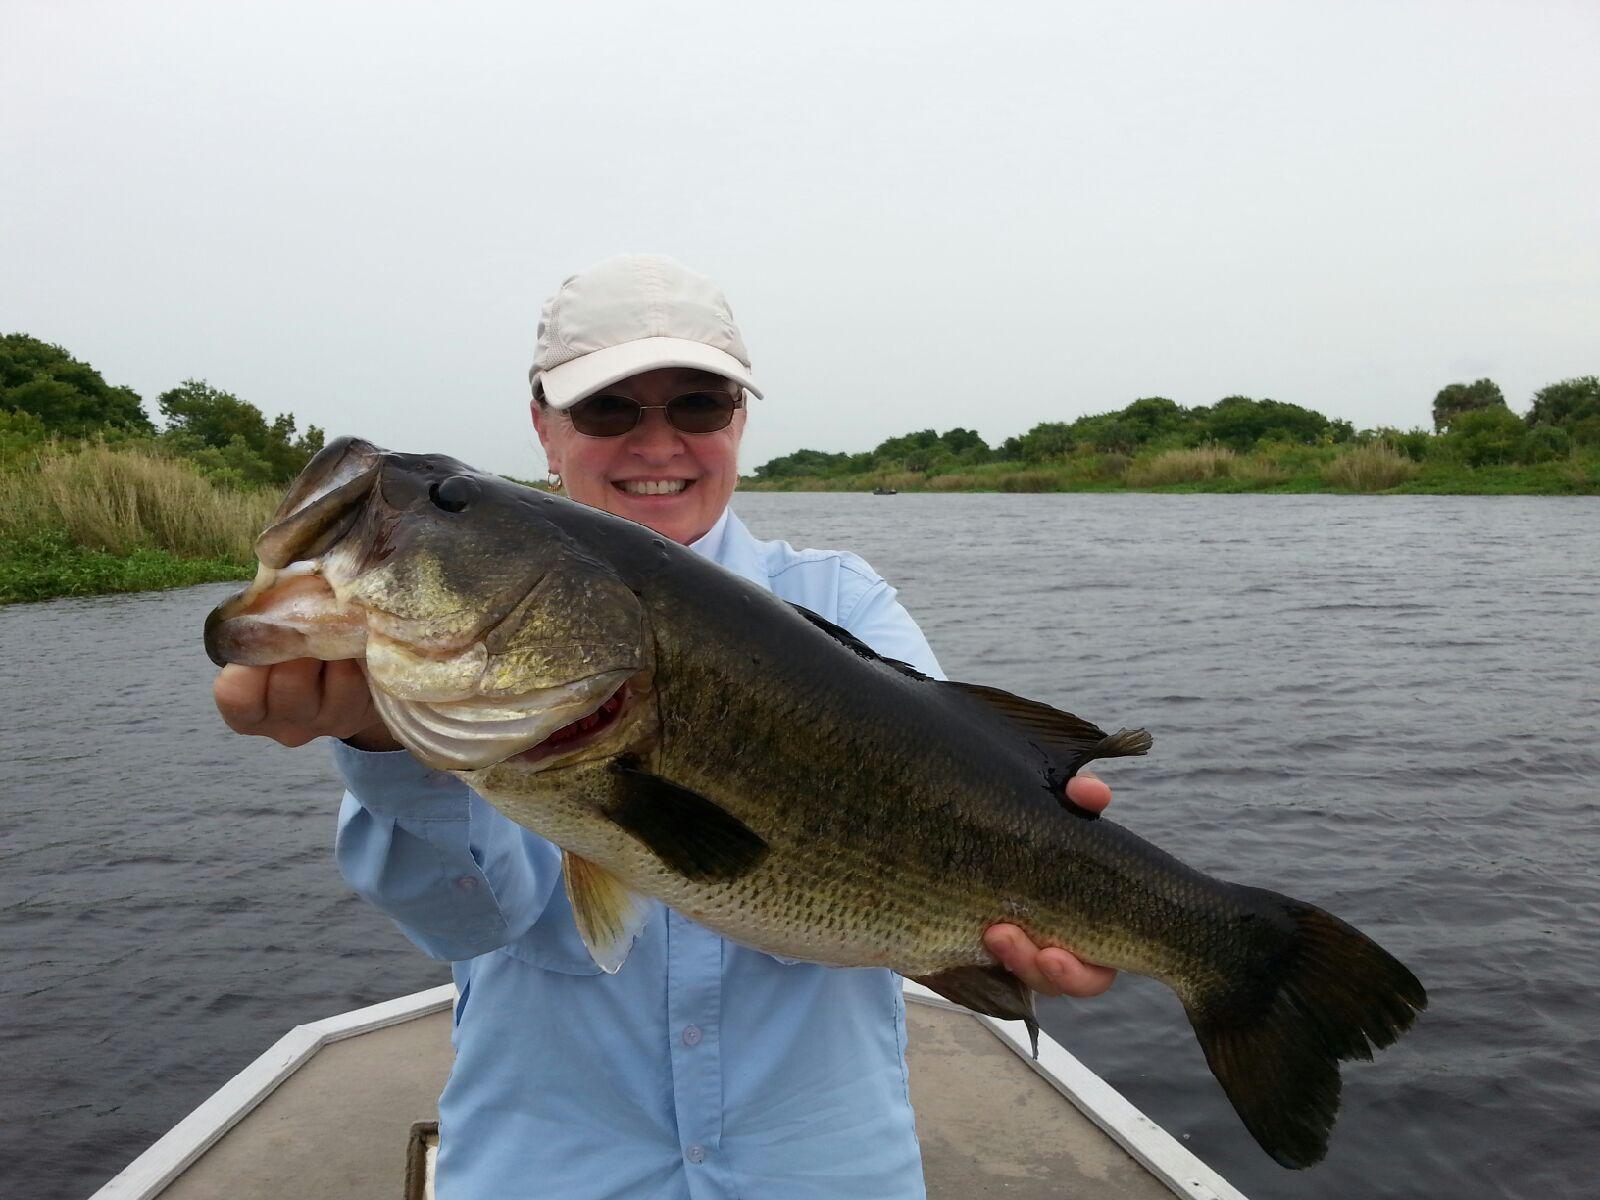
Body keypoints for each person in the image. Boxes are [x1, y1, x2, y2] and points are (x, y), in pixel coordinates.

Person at [213, 254, 1118, 1199]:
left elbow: (957, 810)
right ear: (542, 428)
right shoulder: (457, 678)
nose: (658, 442)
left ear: (739, 423)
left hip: (823, 1171)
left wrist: (1046, 889)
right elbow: (475, 920)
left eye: (697, 405)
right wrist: (384, 750)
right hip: (545, 1171)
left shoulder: (845, 602)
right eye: (608, 410)